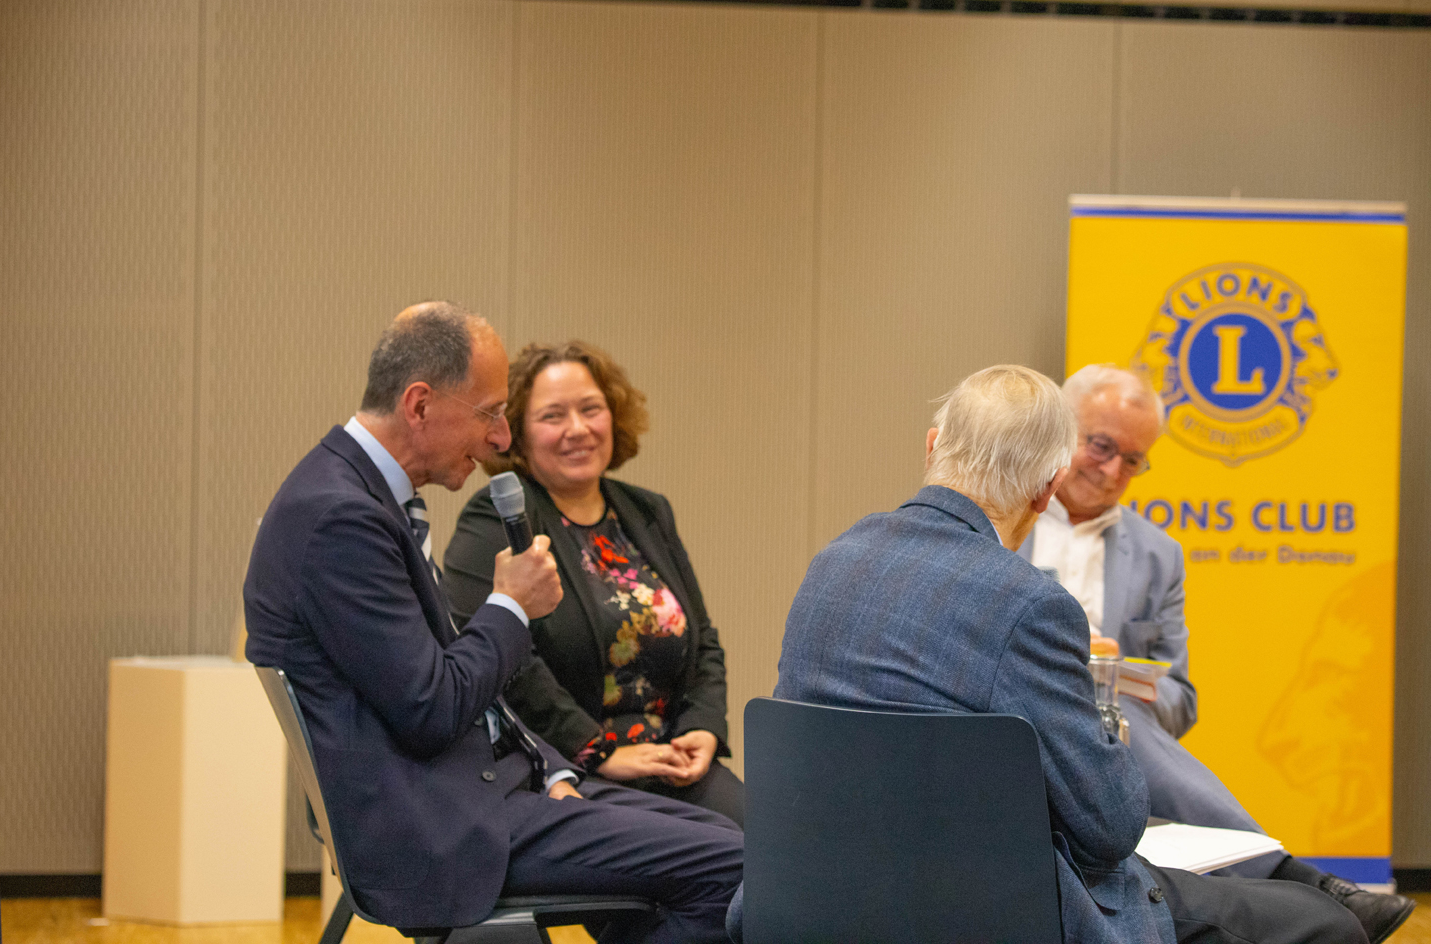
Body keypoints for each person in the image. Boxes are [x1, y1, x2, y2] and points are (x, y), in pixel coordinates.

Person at [771, 364, 1368, 944]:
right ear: (1047, 488)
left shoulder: (829, 565)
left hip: (813, 893)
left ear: (932, 447)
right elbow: (1108, 826)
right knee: (1323, 921)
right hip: (989, 905)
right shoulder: (1029, 603)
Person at [244, 303, 742, 944]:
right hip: (445, 829)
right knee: (731, 867)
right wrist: (509, 606)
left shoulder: (361, 497)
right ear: (419, 405)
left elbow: (447, 685)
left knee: (726, 840)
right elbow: (432, 707)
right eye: (489, 413)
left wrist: (552, 771)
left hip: (486, 791)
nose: (500, 440)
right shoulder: (340, 517)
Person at [1020, 364, 1412, 942]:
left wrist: (1112, 673)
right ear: (1060, 428)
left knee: (1110, 708)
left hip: (1108, 743)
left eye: (1133, 460)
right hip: (1016, 716)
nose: (1111, 471)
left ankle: (1294, 885)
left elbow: (1178, 702)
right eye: (1100, 446)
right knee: (1102, 708)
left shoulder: (1159, 555)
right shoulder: (1011, 515)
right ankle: (1291, 875)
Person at [443, 341, 743, 827]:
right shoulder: (496, 519)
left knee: (769, 850)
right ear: (517, 433)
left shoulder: (648, 512)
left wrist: (703, 728)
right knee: (712, 856)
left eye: (591, 410)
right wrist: (599, 751)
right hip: (563, 769)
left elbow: (702, 638)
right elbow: (498, 656)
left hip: (672, 759)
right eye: (553, 416)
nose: (577, 430)